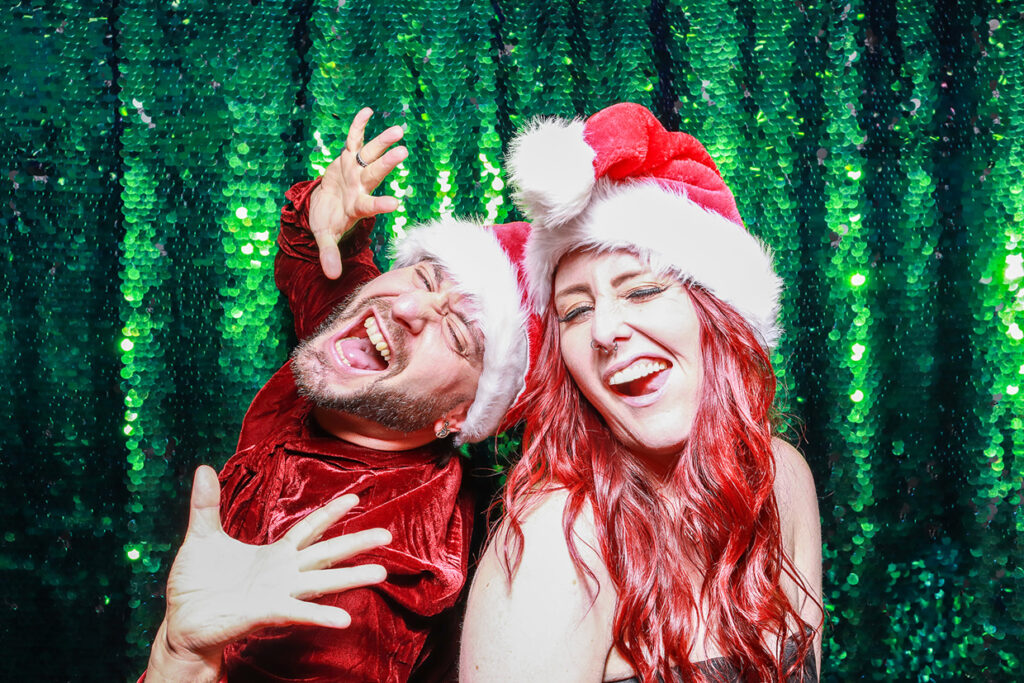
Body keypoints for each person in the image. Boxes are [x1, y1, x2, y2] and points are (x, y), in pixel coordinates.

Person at [145, 108, 534, 683]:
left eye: (457, 334)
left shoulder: (366, 576)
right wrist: (326, 214)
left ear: (459, 417)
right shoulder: (358, 356)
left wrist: (178, 660)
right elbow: (319, 259)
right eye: (425, 278)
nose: (404, 309)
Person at [461, 102, 823, 682]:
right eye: (575, 311)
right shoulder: (561, 540)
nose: (603, 331)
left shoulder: (783, 478)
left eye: (642, 290)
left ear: (719, 315)